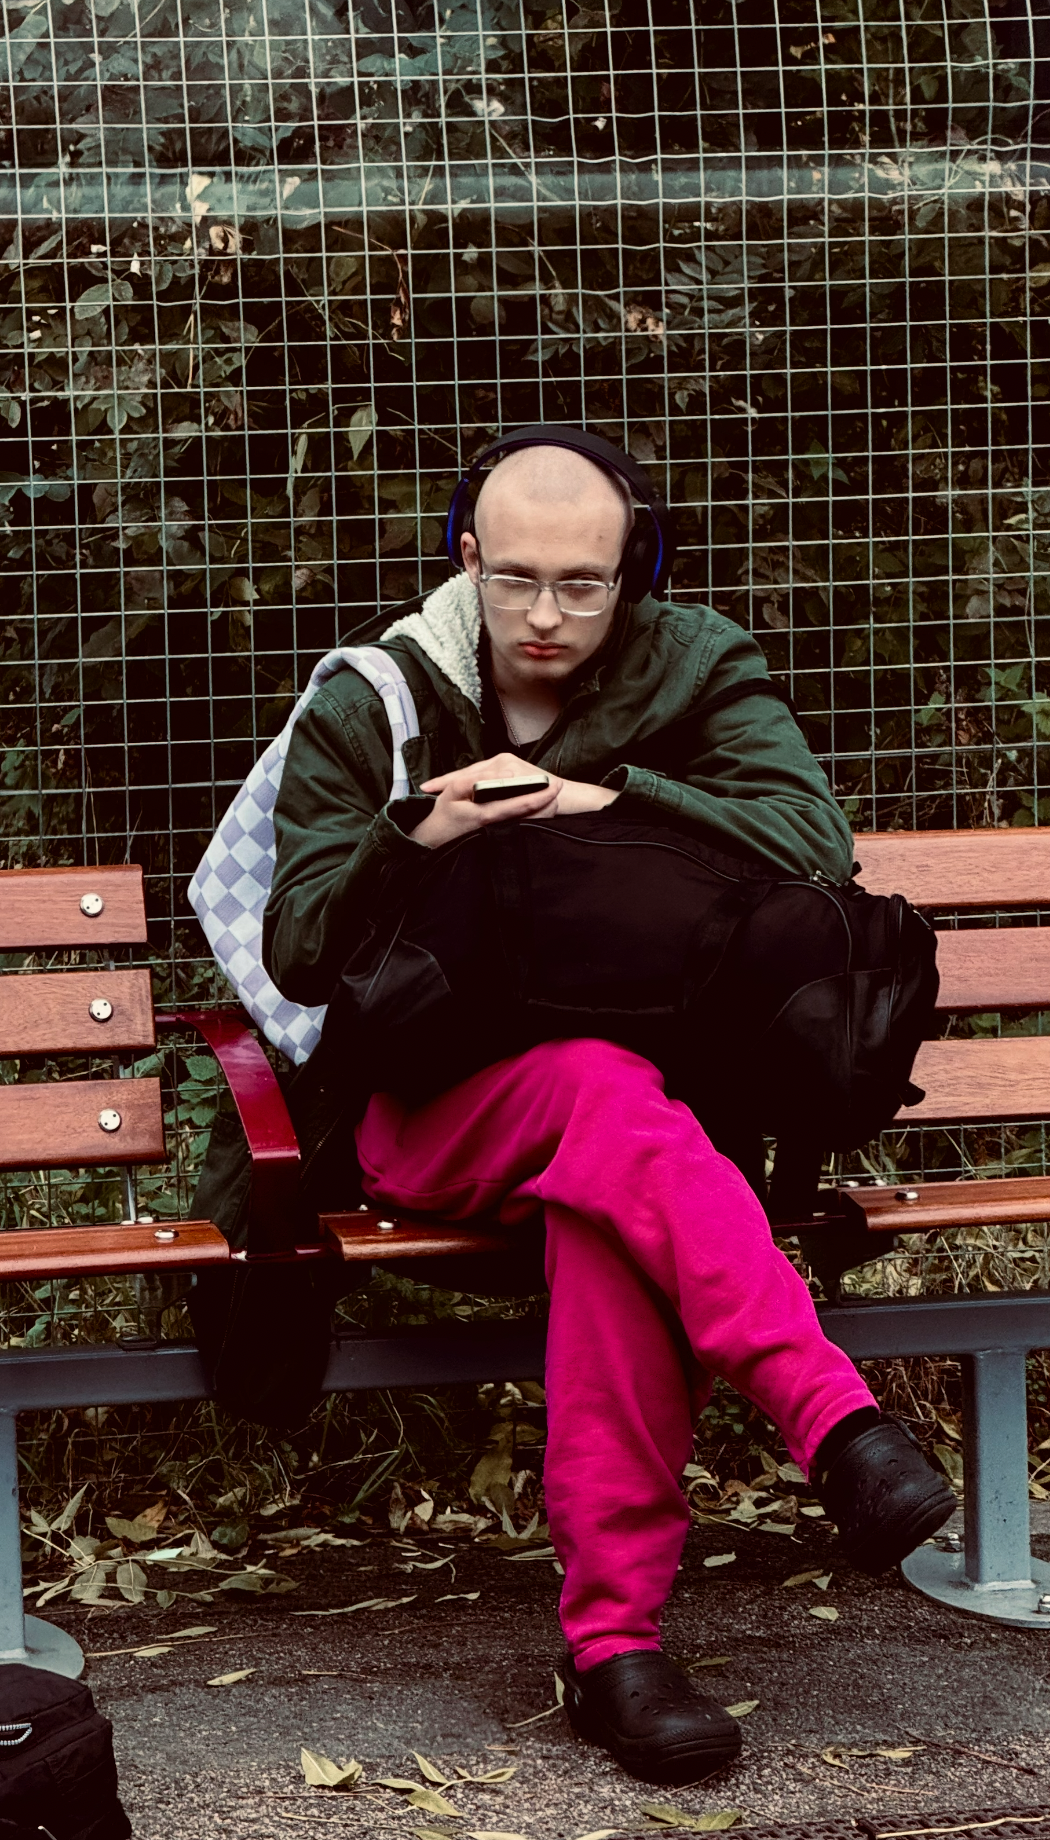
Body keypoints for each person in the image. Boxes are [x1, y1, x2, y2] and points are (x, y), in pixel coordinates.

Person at [262, 427, 954, 1786]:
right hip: (431, 1112)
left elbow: (813, 841)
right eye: (514, 578)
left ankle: (616, 1654)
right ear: (466, 555)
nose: (545, 614)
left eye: (582, 584)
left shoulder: (693, 663)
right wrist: (420, 831)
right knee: (603, 1101)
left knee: (613, 1188)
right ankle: (832, 1422)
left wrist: (607, 794)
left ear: (633, 569)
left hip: (651, 1137)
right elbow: (295, 949)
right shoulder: (375, 697)